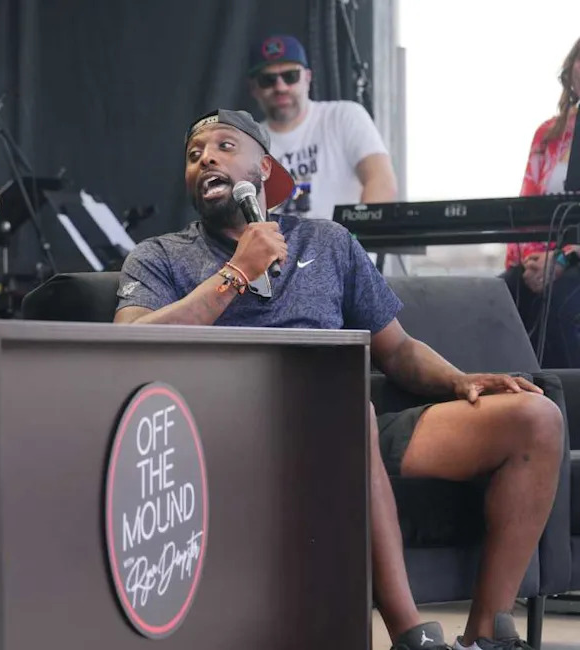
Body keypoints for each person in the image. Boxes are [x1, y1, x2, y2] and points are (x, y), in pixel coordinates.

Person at [115, 108, 563, 650]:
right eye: (194, 155)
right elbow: (131, 342)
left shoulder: (327, 242)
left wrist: (459, 380)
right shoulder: (160, 257)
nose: (206, 158)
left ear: (264, 169)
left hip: (349, 428)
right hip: (229, 435)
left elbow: (397, 349)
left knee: (534, 418)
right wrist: (237, 272)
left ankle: (487, 633)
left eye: (224, 147)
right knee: (347, 408)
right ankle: (412, 636)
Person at [247, 34, 397, 219]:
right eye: (268, 80)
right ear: (253, 88)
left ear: (307, 78)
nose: (281, 87)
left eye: (290, 76)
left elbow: (382, 181)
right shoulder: (248, 144)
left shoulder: (344, 116)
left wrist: (356, 234)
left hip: (347, 236)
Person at [501, 35, 580, 368]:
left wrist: (561, 260)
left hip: (571, 261)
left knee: (563, 305)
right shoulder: (548, 134)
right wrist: (535, 264)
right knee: (500, 297)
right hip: (544, 259)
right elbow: (527, 208)